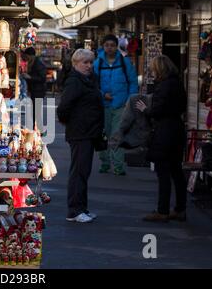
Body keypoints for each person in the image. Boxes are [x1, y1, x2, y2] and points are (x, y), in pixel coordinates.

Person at [135, 55, 188, 222]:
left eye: (153, 69)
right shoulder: (178, 84)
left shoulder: (163, 86)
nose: (152, 72)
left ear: (159, 69)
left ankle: (162, 210)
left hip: (164, 132)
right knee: (176, 172)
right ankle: (180, 209)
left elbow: (158, 110)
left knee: (163, 172)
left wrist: (145, 109)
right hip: (177, 129)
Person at [57, 49, 105, 223]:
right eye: (85, 62)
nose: (89, 66)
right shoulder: (75, 82)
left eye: (91, 62)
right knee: (78, 171)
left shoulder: (88, 80)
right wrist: (70, 122)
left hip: (88, 132)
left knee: (84, 171)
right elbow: (63, 108)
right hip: (80, 133)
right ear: (75, 64)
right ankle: (74, 210)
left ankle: (82, 208)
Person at [94, 34, 138, 176]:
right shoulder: (98, 63)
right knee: (103, 134)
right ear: (103, 46)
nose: (110, 48)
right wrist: (102, 94)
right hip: (103, 105)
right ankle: (105, 162)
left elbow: (133, 82)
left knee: (117, 134)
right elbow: (92, 85)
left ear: (116, 46)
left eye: (112, 45)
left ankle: (118, 165)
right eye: (107, 45)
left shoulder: (125, 63)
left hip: (121, 105)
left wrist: (129, 100)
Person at [21, 47, 46, 127]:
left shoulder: (38, 63)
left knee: (36, 111)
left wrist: (30, 77)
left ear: (31, 55)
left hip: (39, 91)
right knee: (34, 111)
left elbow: (42, 78)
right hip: (35, 90)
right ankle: (35, 127)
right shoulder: (33, 62)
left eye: (27, 56)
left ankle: (38, 129)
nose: (26, 58)